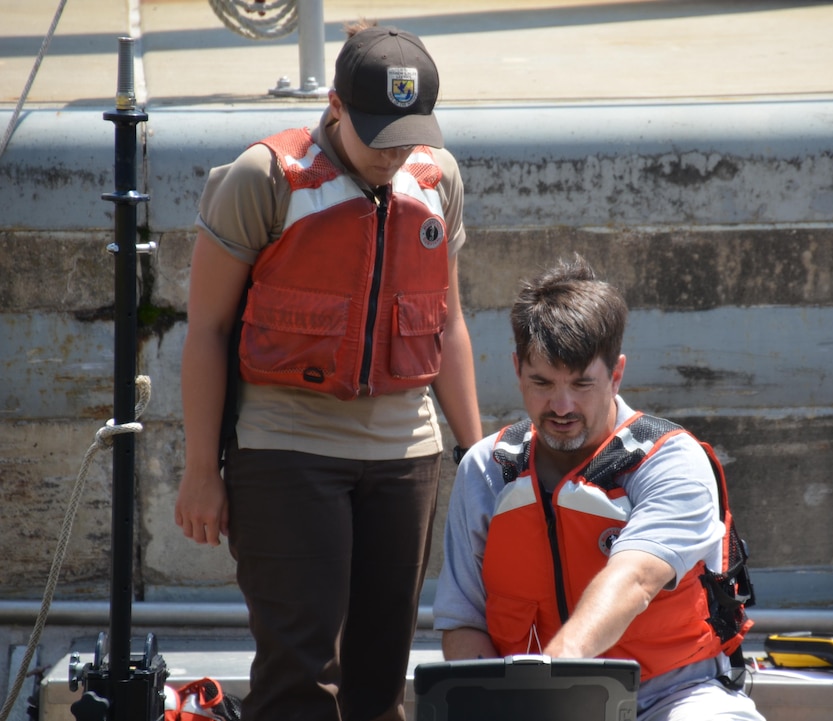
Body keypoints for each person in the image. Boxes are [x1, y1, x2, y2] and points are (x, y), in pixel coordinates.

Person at [175, 22, 482, 721]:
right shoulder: (263, 178)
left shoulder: (438, 180)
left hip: (405, 455)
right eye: (376, 133)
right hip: (286, 448)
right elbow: (208, 330)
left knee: (380, 679)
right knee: (300, 677)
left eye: (407, 134)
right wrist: (201, 470)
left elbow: (448, 324)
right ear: (337, 105)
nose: (393, 153)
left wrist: (476, 448)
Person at [433, 256, 763, 720]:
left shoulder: (672, 460)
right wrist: (510, 706)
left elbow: (634, 578)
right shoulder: (485, 469)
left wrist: (549, 682)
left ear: (617, 373)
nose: (561, 405)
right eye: (542, 383)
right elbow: (463, 622)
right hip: (526, 706)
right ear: (516, 369)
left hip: (673, 697)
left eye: (582, 383)